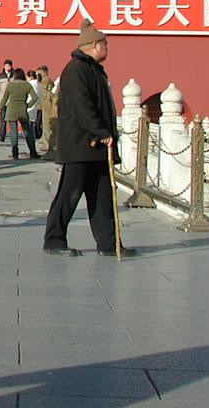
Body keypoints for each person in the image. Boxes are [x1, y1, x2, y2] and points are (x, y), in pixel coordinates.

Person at [43, 19, 136, 258]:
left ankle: (109, 243)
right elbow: (82, 107)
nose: (107, 48)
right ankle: (54, 240)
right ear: (95, 45)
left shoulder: (93, 69)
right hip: (81, 145)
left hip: (96, 149)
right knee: (69, 194)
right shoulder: (76, 69)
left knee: (103, 196)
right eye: (105, 44)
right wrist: (101, 132)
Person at [0, 68, 40, 160]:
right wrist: (28, 105)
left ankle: (15, 153)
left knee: (13, 132)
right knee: (27, 131)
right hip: (22, 109)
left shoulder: (10, 85)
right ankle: (33, 152)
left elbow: (5, 98)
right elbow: (35, 97)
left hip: (11, 110)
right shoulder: (27, 85)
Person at [0, 59, 13, 141]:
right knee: (2, 119)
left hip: (12, 101)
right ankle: (2, 136)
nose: (8, 67)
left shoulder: (14, 76)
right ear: (4, 66)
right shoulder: (0, 76)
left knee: (12, 120)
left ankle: (13, 135)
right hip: (2, 101)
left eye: (9, 66)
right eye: (6, 66)